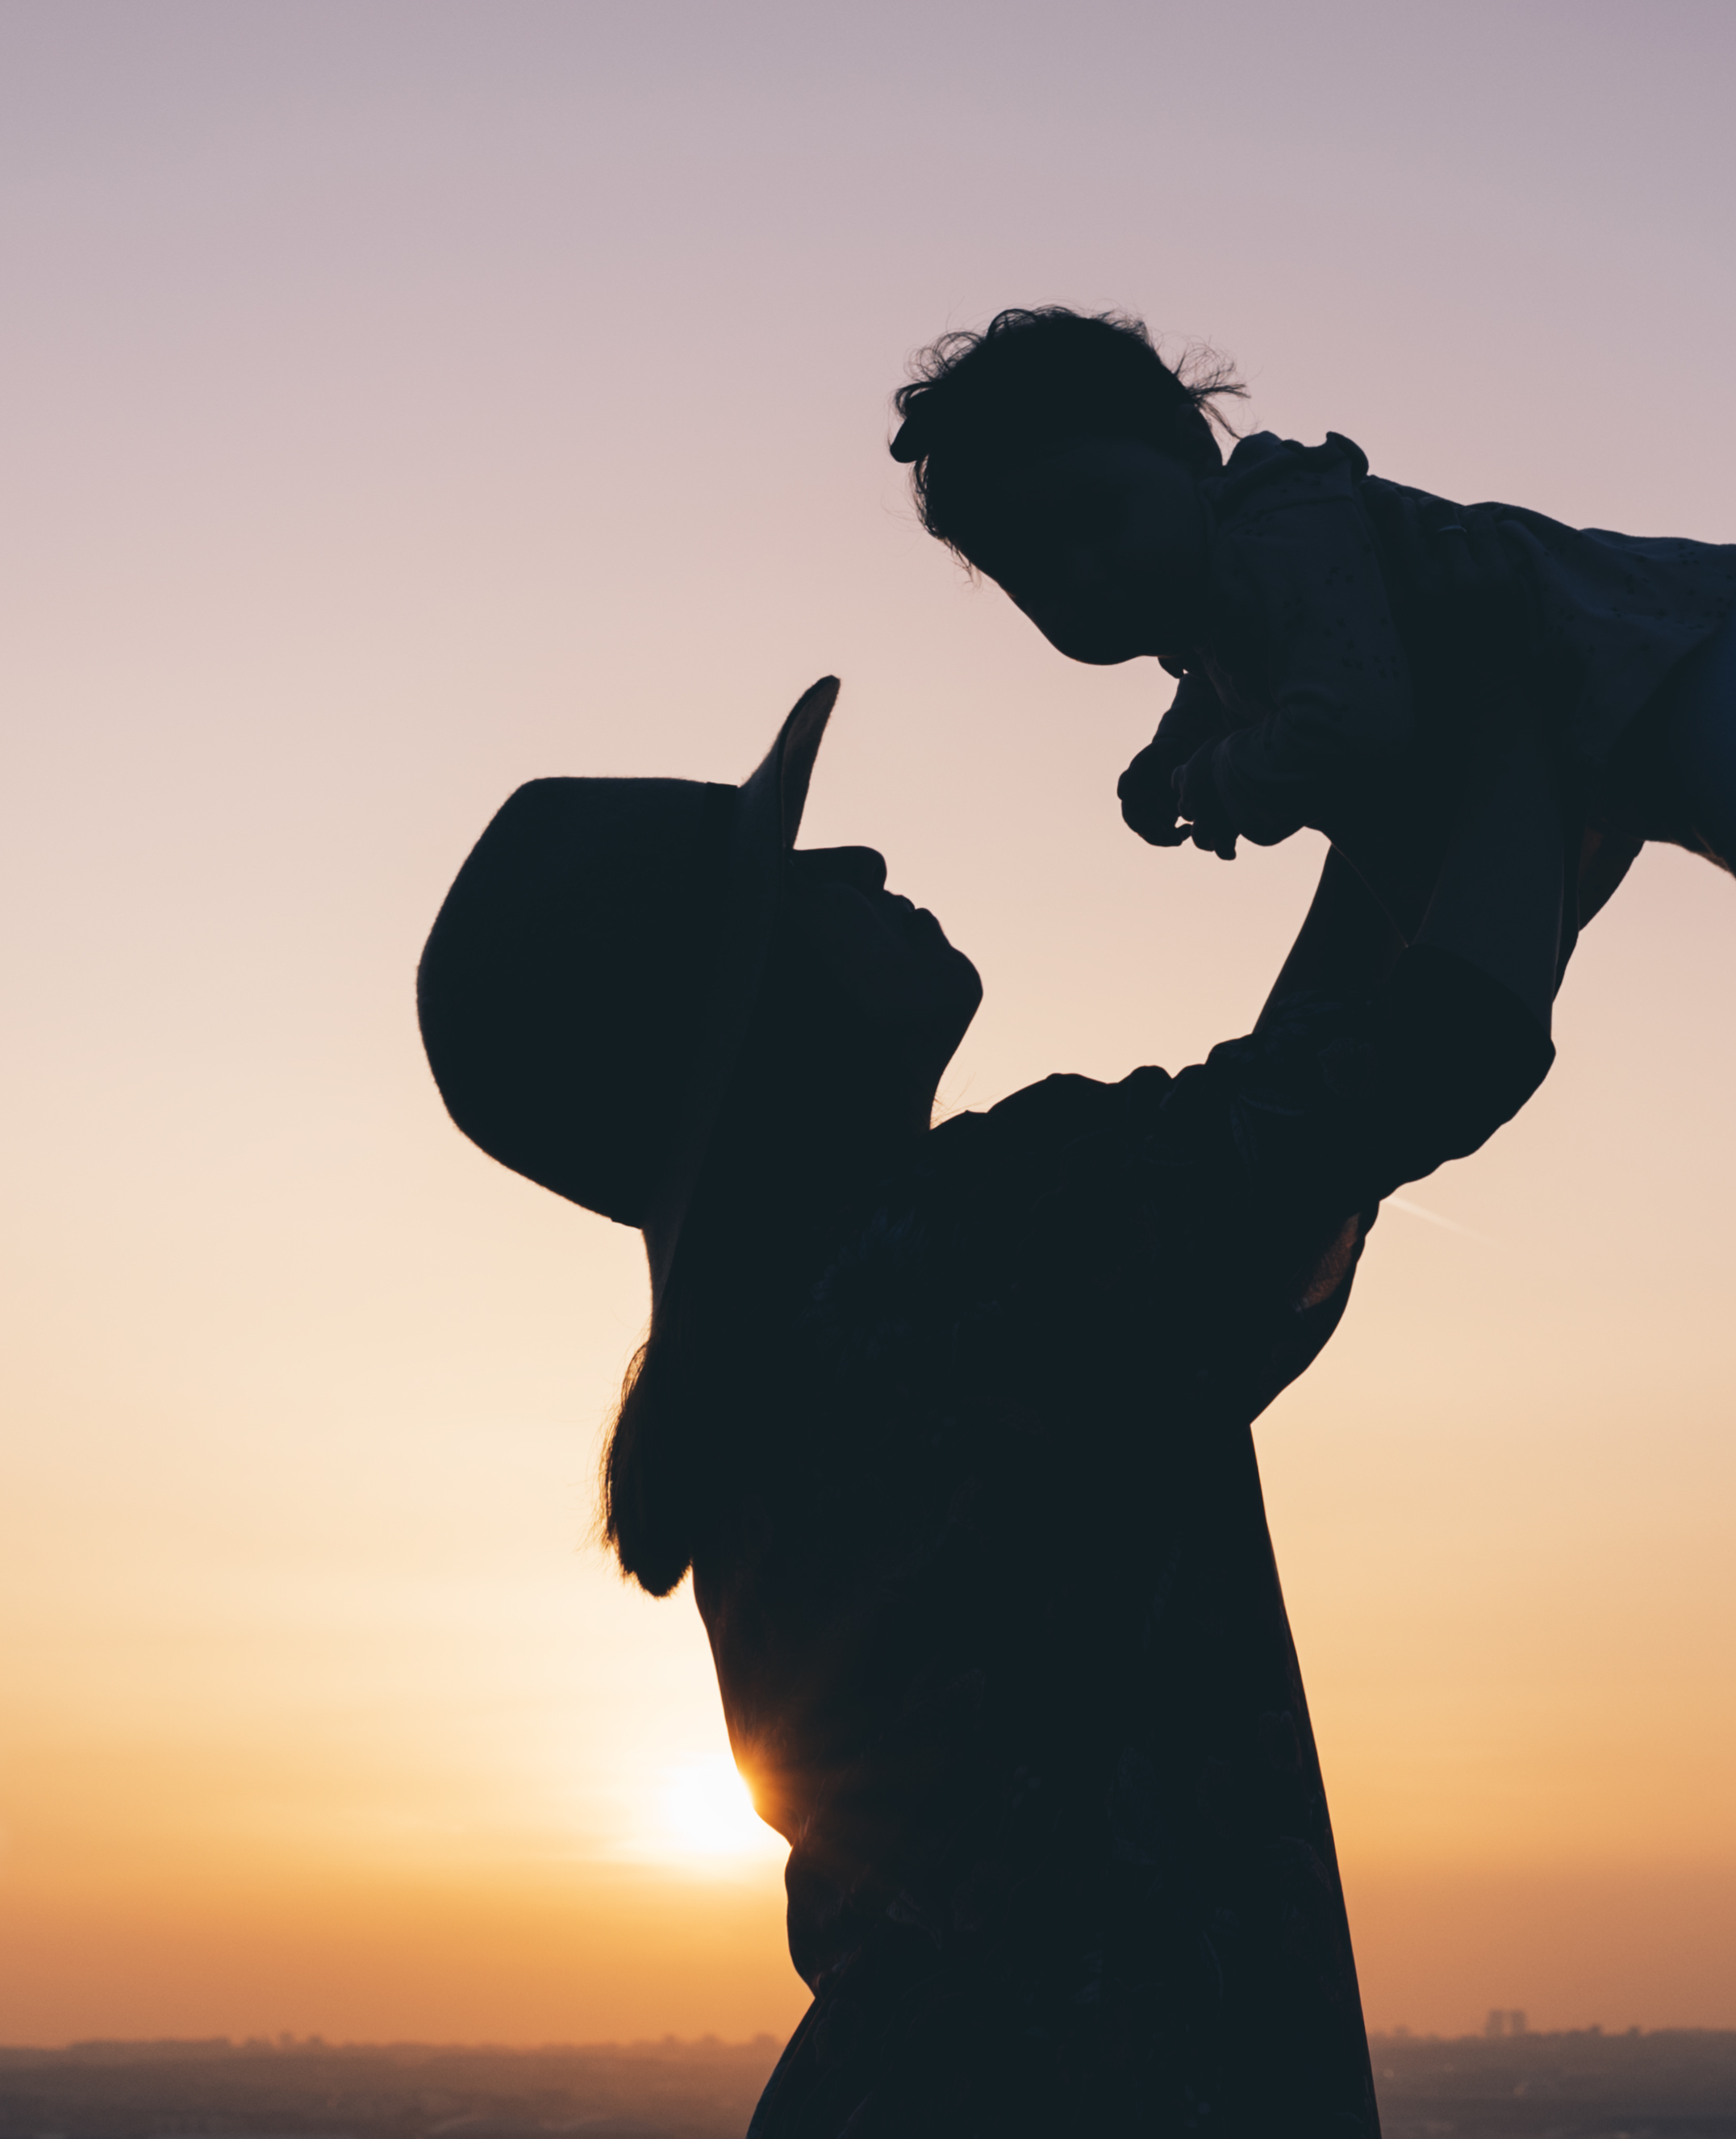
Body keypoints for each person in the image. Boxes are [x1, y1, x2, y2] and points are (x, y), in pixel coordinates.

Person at [415, 676, 1567, 2136]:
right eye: (786, 877)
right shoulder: (972, 1253)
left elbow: (1307, 1115)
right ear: (743, 1010)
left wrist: (1402, 778)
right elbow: (1425, 1050)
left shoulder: (830, 1330)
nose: (856, 863)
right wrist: (1539, 691)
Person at [887, 307, 1736, 1217]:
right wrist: (1179, 750)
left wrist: (1221, 782)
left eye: (1094, 520)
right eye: (1030, 571)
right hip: (1604, 707)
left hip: (1675, 648)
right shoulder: (1217, 610)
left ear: (1185, 456)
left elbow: (1357, 720)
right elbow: (1240, 688)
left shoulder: (1282, 541)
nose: (1083, 574)